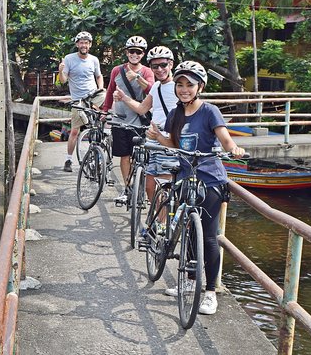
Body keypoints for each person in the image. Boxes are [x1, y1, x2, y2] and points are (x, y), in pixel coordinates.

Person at [145, 60, 245, 316]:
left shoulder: (210, 111)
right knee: (188, 229)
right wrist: (158, 138)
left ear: (200, 86)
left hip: (210, 180)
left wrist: (233, 149)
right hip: (184, 178)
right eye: (180, 84)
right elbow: (173, 142)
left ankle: (210, 292)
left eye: (189, 84)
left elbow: (224, 138)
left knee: (209, 236)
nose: (184, 89)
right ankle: (189, 280)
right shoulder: (176, 114)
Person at [113, 45, 178, 201]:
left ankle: (162, 225)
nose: (160, 69)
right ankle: (155, 223)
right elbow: (142, 108)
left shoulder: (179, 87)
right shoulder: (156, 86)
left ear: (171, 64)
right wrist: (124, 98)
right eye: (155, 66)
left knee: (163, 188)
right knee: (150, 188)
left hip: (168, 142)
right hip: (152, 141)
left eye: (163, 65)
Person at [102, 36, 154, 202]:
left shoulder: (146, 71)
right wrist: (105, 110)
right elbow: (110, 90)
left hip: (139, 119)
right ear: (126, 52)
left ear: (142, 54)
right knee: (124, 156)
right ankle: (127, 188)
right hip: (120, 118)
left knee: (141, 156)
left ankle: (144, 189)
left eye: (138, 52)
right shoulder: (117, 70)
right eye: (132, 51)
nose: (134, 54)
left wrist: (137, 77)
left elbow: (152, 90)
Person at [58, 31, 105, 172]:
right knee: (74, 131)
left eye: (86, 42)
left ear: (89, 45)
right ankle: (68, 160)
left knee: (107, 107)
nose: (84, 45)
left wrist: (100, 88)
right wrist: (60, 71)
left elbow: (99, 76)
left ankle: (100, 149)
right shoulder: (69, 59)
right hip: (78, 99)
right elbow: (63, 80)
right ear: (77, 44)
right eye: (81, 42)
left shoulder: (94, 59)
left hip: (93, 96)